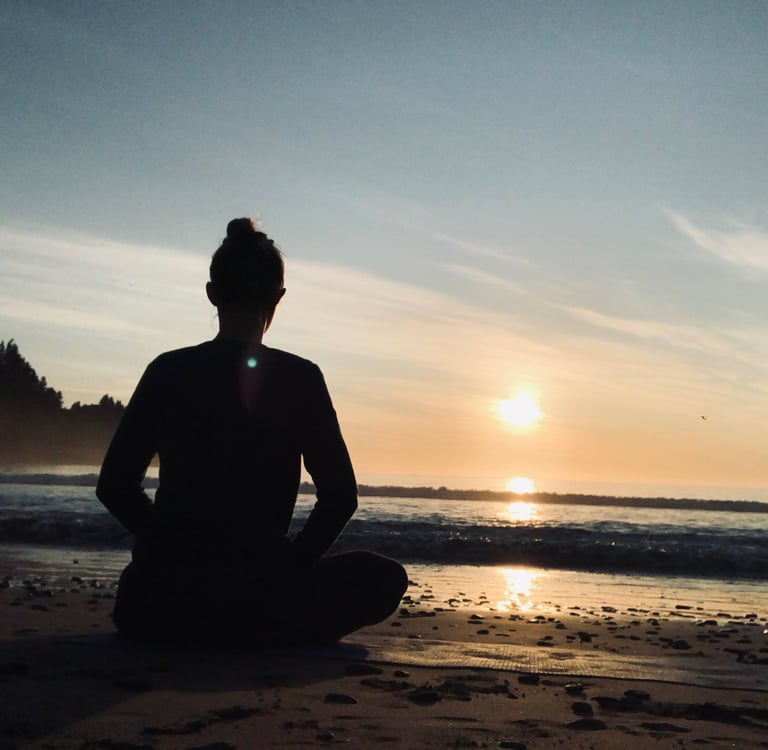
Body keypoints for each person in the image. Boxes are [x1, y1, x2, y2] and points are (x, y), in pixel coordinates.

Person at [97, 218, 408, 644]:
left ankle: (209, 620)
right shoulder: (300, 378)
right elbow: (340, 497)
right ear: (278, 297)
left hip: (158, 601)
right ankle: (261, 626)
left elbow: (114, 486)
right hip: (258, 592)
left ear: (212, 293)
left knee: (152, 592)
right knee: (384, 577)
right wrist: (293, 563)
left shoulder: (167, 370)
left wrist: (167, 546)